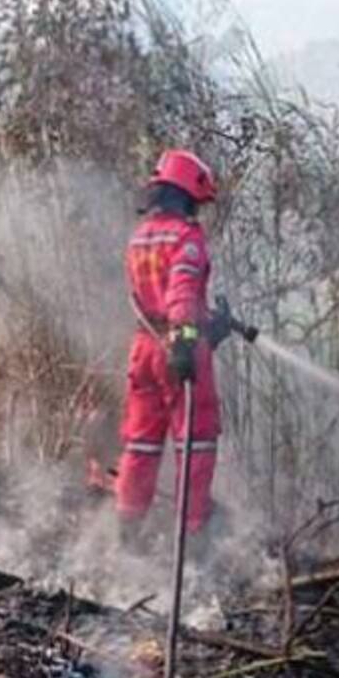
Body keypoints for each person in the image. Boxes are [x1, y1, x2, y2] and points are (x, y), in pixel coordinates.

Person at [115, 149, 233, 548]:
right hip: (177, 348)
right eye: (198, 202)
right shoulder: (187, 237)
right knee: (196, 444)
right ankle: (192, 538)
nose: (198, 210)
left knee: (142, 443)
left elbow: (152, 298)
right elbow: (181, 295)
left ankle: (127, 533)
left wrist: (210, 330)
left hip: (143, 349)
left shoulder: (141, 236)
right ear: (187, 194)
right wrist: (186, 343)